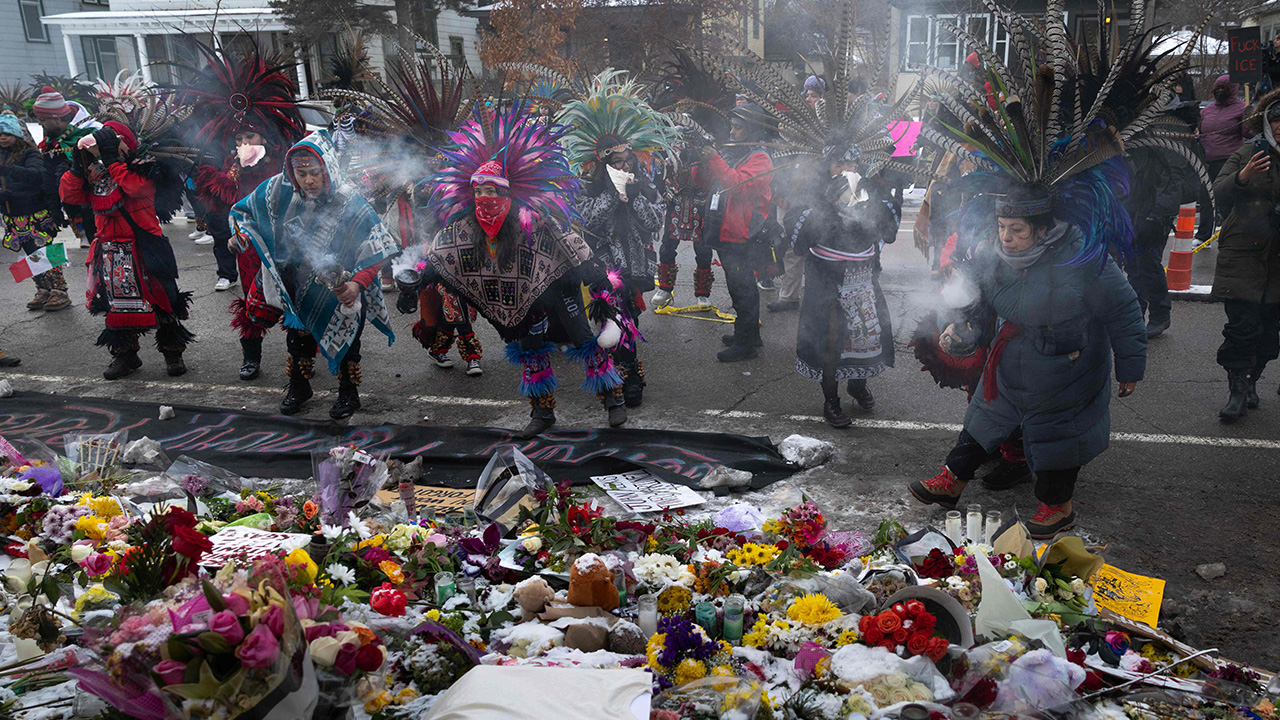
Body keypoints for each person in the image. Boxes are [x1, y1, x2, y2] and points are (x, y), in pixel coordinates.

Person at [908, 187, 1147, 538]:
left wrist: (1130, 366)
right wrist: (960, 328)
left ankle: (1058, 508)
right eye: (1002, 226)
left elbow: (1124, 308)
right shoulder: (994, 255)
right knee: (984, 416)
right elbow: (978, 300)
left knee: (1058, 434)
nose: (1006, 237)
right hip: (1011, 358)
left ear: (1041, 229)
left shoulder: (1082, 256)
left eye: (1017, 230)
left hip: (1068, 366)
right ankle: (952, 481)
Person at [423, 104, 629, 437]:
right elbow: (446, 250)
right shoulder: (470, 227)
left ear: (506, 192)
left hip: (559, 288)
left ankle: (613, 399)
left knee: (583, 339)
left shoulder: (533, 217)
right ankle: (542, 411)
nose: (484, 199)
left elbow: (567, 241)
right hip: (521, 299)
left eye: (491, 191)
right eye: (478, 192)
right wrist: (424, 274)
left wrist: (593, 274)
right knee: (530, 349)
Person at [231, 130, 398, 419]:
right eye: (301, 173)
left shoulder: (351, 202)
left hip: (341, 288)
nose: (307, 180)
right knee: (298, 340)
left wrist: (357, 285)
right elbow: (244, 214)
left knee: (348, 344)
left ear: (329, 169)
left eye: (314, 173)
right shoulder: (277, 191)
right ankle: (299, 386)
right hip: (296, 287)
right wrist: (239, 237)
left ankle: (348, 392)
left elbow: (376, 247)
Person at [180, 41, 305, 381]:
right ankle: (252, 358)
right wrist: (228, 173)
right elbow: (219, 203)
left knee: (296, 303)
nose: (243, 145)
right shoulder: (229, 166)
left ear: (264, 137)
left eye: (250, 136)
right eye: (238, 140)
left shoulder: (284, 163)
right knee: (252, 302)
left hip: (285, 246)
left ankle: (301, 358)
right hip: (248, 248)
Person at [61, 121, 195, 380]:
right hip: (111, 250)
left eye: (111, 142)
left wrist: (113, 160)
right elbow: (69, 196)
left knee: (163, 302)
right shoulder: (94, 174)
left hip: (145, 246)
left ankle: (172, 351)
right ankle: (125, 354)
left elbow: (137, 189)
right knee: (116, 307)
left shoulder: (144, 167)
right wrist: (78, 167)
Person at [787, 159, 898, 426]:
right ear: (826, 166)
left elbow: (889, 233)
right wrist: (825, 204)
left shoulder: (869, 192)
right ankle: (831, 400)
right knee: (832, 338)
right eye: (838, 164)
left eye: (851, 163)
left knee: (866, 334)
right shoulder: (813, 191)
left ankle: (857, 386)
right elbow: (798, 241)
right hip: (826, 279)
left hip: (863, 275)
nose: (846, 171)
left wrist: (880, 198)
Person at [1209, 95, 1280, 423]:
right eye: (1276, 121)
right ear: (1266, 123)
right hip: (1243, 255)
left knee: (1268, 333)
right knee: (1241, 328)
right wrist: (1243, 177)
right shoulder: (1247, 153)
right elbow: (1218, 191)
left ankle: (1252, 379)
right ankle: (1237, 390)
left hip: (1277, 261)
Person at [698, 104, 774, 362]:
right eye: (731, 126)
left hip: (742, 234)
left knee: (743, 289)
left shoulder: (760, 158)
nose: (732, 131)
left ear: (752, 130)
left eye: (738, 127)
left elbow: (738, 185)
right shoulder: (736, 152)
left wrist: (714, 158)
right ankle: (749, 334)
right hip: (728, 229)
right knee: (738, 286)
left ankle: (745, 344)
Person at [0, 114, 70, 312]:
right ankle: (43, 289)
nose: (2, 138)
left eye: (7, 133)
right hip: (14, 216)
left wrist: (8, 171)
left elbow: (36, 176)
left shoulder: (29, 153)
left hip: (35, 212)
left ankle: (60, 290)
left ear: (17, 134)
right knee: (30, 252)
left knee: (45, 250)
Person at [1122, 147, 1184, 338]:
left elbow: (1173, 180)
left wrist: (1156, 214)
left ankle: (1160, 314)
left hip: (1155, 215)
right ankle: (1135, 316)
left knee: (1148, 264)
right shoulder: (1131, 138)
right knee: (1133, 266)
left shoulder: (1165, 140)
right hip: (1131, 210)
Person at [34, 86, 98, 257]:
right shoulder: (50, 142)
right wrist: (54, 208)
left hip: (103, 213)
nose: (39, 123)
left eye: (42, 119)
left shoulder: (93, 134)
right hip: (78, 211)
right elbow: (49, 176)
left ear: (56, 119)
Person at [1197, 75, 1248, 243]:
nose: (1220, 92)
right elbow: (1199, 131)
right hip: (1207, 160)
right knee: (1206, 199)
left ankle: (1232, 235)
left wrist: (1249, 116)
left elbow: (1248, 134)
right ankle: (1204, 235)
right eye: (1217, 89)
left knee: (1227, 199)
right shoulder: (1207, 110)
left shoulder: (1241, 108)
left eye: (1224, 89)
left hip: (1229, 160)